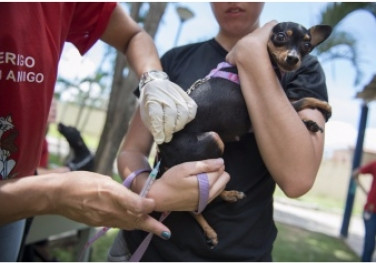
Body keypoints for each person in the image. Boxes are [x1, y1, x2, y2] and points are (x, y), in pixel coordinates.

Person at [0, 3, 229, 261]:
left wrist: (153, 79)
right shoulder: (182, 58)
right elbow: (131, 151)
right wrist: (52, 193)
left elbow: (133, 35)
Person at [111, 2, 330, 261]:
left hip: (239, 252)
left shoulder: (303, 69)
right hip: (146, 247)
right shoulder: (173, 60)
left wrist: (251, 54)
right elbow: (131, 150)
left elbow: (298, 178)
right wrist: (150, 192)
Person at [353, 160, 376, 262]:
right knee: (369, 245)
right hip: (371, 212)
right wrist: (366, 192)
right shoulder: (375, 165)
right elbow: (355, 174)